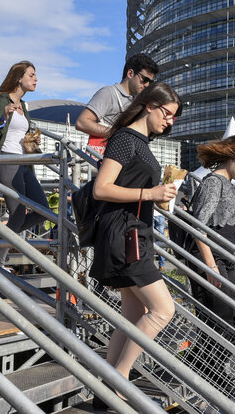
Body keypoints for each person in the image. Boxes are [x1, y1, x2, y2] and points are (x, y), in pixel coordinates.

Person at [88, 82, 181, 409]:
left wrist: (160, 195)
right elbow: (101, 188)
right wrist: (151, 194)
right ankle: (119, 381)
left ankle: (106, 390)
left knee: (135, 315)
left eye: (173, 118)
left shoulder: (139, 141)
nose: (170, 121)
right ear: (149, 106)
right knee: (162, 310)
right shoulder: (126, 139)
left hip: (134, 234)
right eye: (167, 114)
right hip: (126, 236)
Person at [183, 135, 235, 382]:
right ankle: (210, 372)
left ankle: (200, 362)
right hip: (210, 257)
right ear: (232, 158)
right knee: (220, 319)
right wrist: (211, 266)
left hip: (224, 259)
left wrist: (231, 264)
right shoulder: (213, 182)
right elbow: (199, 226)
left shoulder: (226, 183)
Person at [0, 61, 48, 263]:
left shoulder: (24, 106)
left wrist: (32, 139)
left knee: (43, 210)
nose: (35, 79)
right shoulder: (1, 101)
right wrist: (3, 117)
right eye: (31, 75)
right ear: (19, 78)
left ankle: (0, 239)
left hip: (24, 163)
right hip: (7, 160)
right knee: (18, 214)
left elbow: (20, 133)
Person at [75, 53, 159, 155]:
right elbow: (82, 122)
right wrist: (116, 133)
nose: (147, 85)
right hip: (105, 158)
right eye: (144, 79)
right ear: (130, 73)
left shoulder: (137, 101)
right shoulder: (108, 93)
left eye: (150, 82)